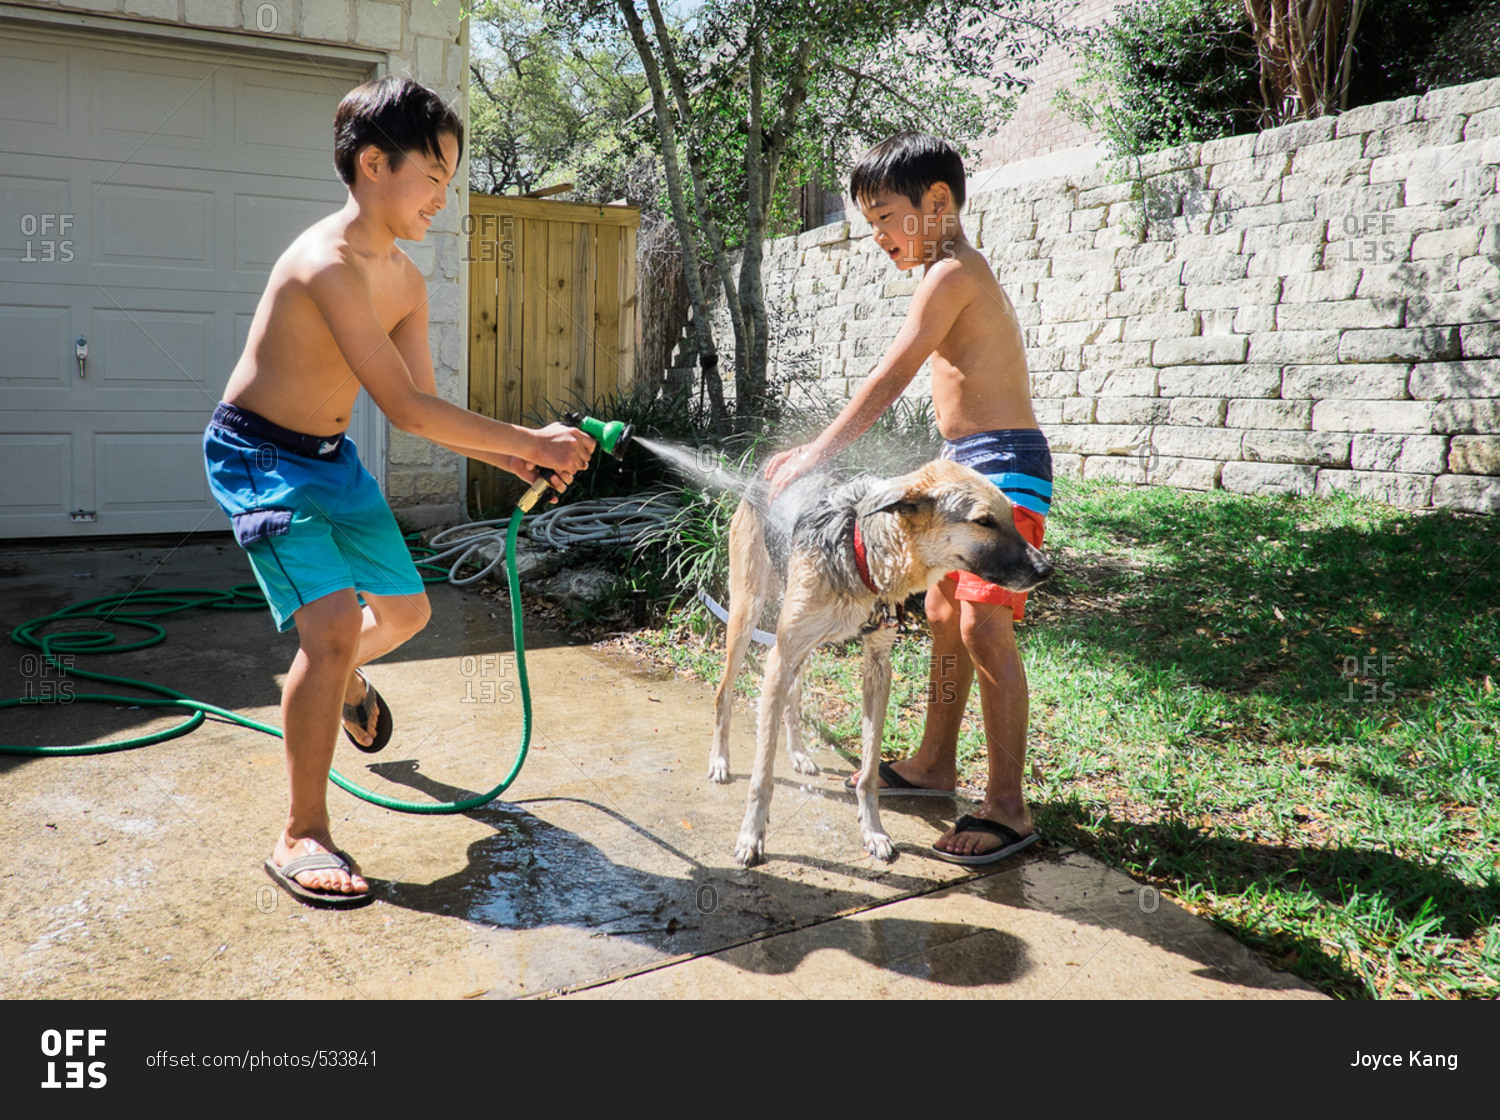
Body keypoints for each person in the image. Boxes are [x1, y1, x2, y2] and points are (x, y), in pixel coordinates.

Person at [204, 76, 594, 907]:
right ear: (375, 164)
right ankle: (302, 830)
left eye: (451, 185)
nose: (444, 202)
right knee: (335, 623)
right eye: (436, 179)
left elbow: (426, 414)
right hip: (258, 456)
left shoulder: (406, 281)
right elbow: (407, 407)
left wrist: (518, 460)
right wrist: (530, 438)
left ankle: (334, 676)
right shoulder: (326, 266)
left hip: (331, 458)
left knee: (406, 615)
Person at [765, 132, 1050, 865]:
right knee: (941, 611)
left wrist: (816, 453)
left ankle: (1009, 808)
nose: (880, 237)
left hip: (1003, 463)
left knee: (984, 625)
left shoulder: (952, 274)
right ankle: (933, 763)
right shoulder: (951, 272)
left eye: (887, 217)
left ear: (938, 203)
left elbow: (889, 379)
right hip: (965, 460)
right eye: (870, 225)